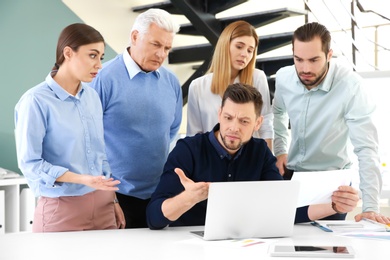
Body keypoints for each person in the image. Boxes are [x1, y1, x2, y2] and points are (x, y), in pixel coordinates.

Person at [146, 83, 359, 229]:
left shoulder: (259, 152)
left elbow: (282, 209)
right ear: (219, 114)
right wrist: (187, 198)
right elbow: (154, 218)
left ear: (258, 124)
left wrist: (333, 206)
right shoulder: (188, 150)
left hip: (242, 247)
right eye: (228, 117)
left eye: (244, 121)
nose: (233, 127)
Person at [273, 22, 390, 224]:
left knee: (328, 251)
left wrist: (370, 207)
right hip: (292, 177)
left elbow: (366, 148)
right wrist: (280, 149)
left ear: (329, 55)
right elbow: (278, 112)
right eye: (298, 59)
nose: (305, 68)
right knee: (286, 245)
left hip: (331, 186)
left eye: (314, 60)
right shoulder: (284, 77)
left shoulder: (351, 86)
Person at [14, 23, 125, 232]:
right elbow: (31, 163)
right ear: (68, 53)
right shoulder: (35, 101)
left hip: (104, 206)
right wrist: (82, 179)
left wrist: (113, 200)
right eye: (92, 55)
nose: (99, 65)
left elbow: (100, 156)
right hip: (62, 209)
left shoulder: (92, 96)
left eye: (101, 57)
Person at [90, 9, 182, 228]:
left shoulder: (171, 82)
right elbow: (89, 142)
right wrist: (108, 197)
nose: (161, 54)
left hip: (160, 196)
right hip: (116, 197)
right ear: (134, 37)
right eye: (156, 45)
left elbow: (171, 131)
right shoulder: (103, 79)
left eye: (167, 48)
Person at [187, 20, 274, 150]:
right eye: (239, 46)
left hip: (249, 160)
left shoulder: (258, 78)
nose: (244, 54)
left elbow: (265, 122)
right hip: (212, 161)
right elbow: (194, 135)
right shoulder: (198, 87)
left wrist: (267, 162)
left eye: (250, 50)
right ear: (225, 45)